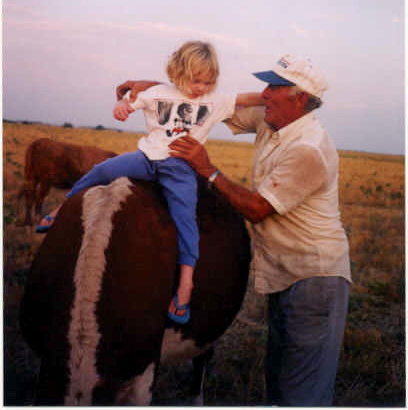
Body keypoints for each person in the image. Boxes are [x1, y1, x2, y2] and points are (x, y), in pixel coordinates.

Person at [117, 54, 351, 405]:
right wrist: (147, 88)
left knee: (303, 390)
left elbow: (257, 209)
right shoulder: (272, 119)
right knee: (282, 375)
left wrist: (206, 169)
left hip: (315, 276)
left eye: (275, 86)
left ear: (299, 98)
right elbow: (198, 102)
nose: (265, 93)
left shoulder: (309, 150)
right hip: (287, 271)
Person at [36, 41, 263, 324]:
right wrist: (121, 106)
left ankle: (185, 284)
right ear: (178, 73)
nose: (201, 87)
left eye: (208, 81)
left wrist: (270, 96)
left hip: (179, 168)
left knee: (186, 220)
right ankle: (61, 210)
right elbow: (129, 104)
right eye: (196, 80)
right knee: (100, 172)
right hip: (145, 158)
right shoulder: (157, 93)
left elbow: (246, 98)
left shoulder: (214, 101)